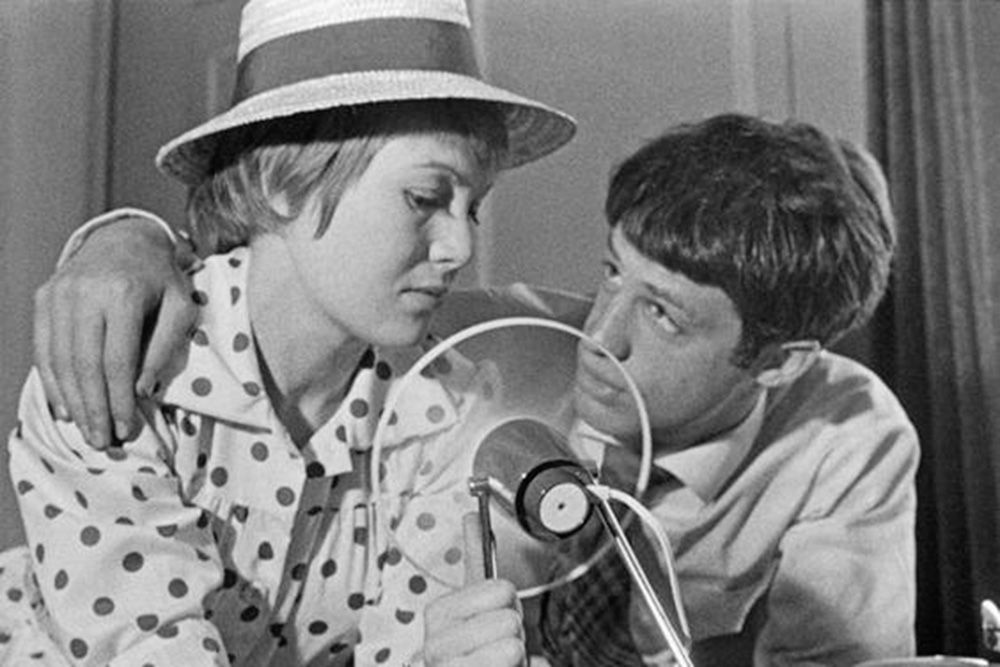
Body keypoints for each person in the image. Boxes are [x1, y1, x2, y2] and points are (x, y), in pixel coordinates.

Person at [28, 114, 918, 665]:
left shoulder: (845, 434)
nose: (601, 336)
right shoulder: (490, 347)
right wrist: (123, 240)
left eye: (663, 314)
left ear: (778, 360)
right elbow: (292, 281)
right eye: (611, 273)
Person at [2, 0, 577, 665]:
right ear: (282, 181)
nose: (460, 247)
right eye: (425, 197)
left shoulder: (444, 408)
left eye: (471, 208)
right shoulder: (115, 363)